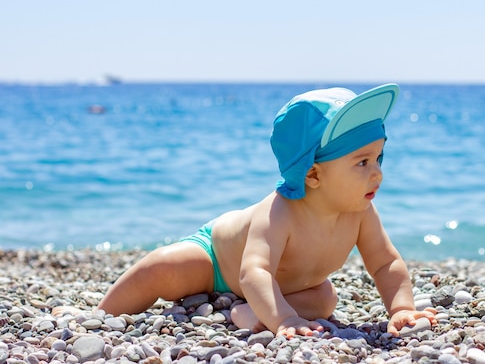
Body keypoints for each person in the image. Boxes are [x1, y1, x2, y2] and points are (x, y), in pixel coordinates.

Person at [85, 83, 437, 338]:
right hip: (218, 262)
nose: (377, 172)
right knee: (165, 267)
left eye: (378, 157)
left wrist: (402, 307)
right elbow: (254, 271)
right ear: (313, 174)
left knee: (325, 298)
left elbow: (385, 262)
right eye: (361, 162)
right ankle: (101, 314)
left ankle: (252, 311)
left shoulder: (360, 211)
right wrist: (284, 320)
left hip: (285, 288)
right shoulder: (281, 211)